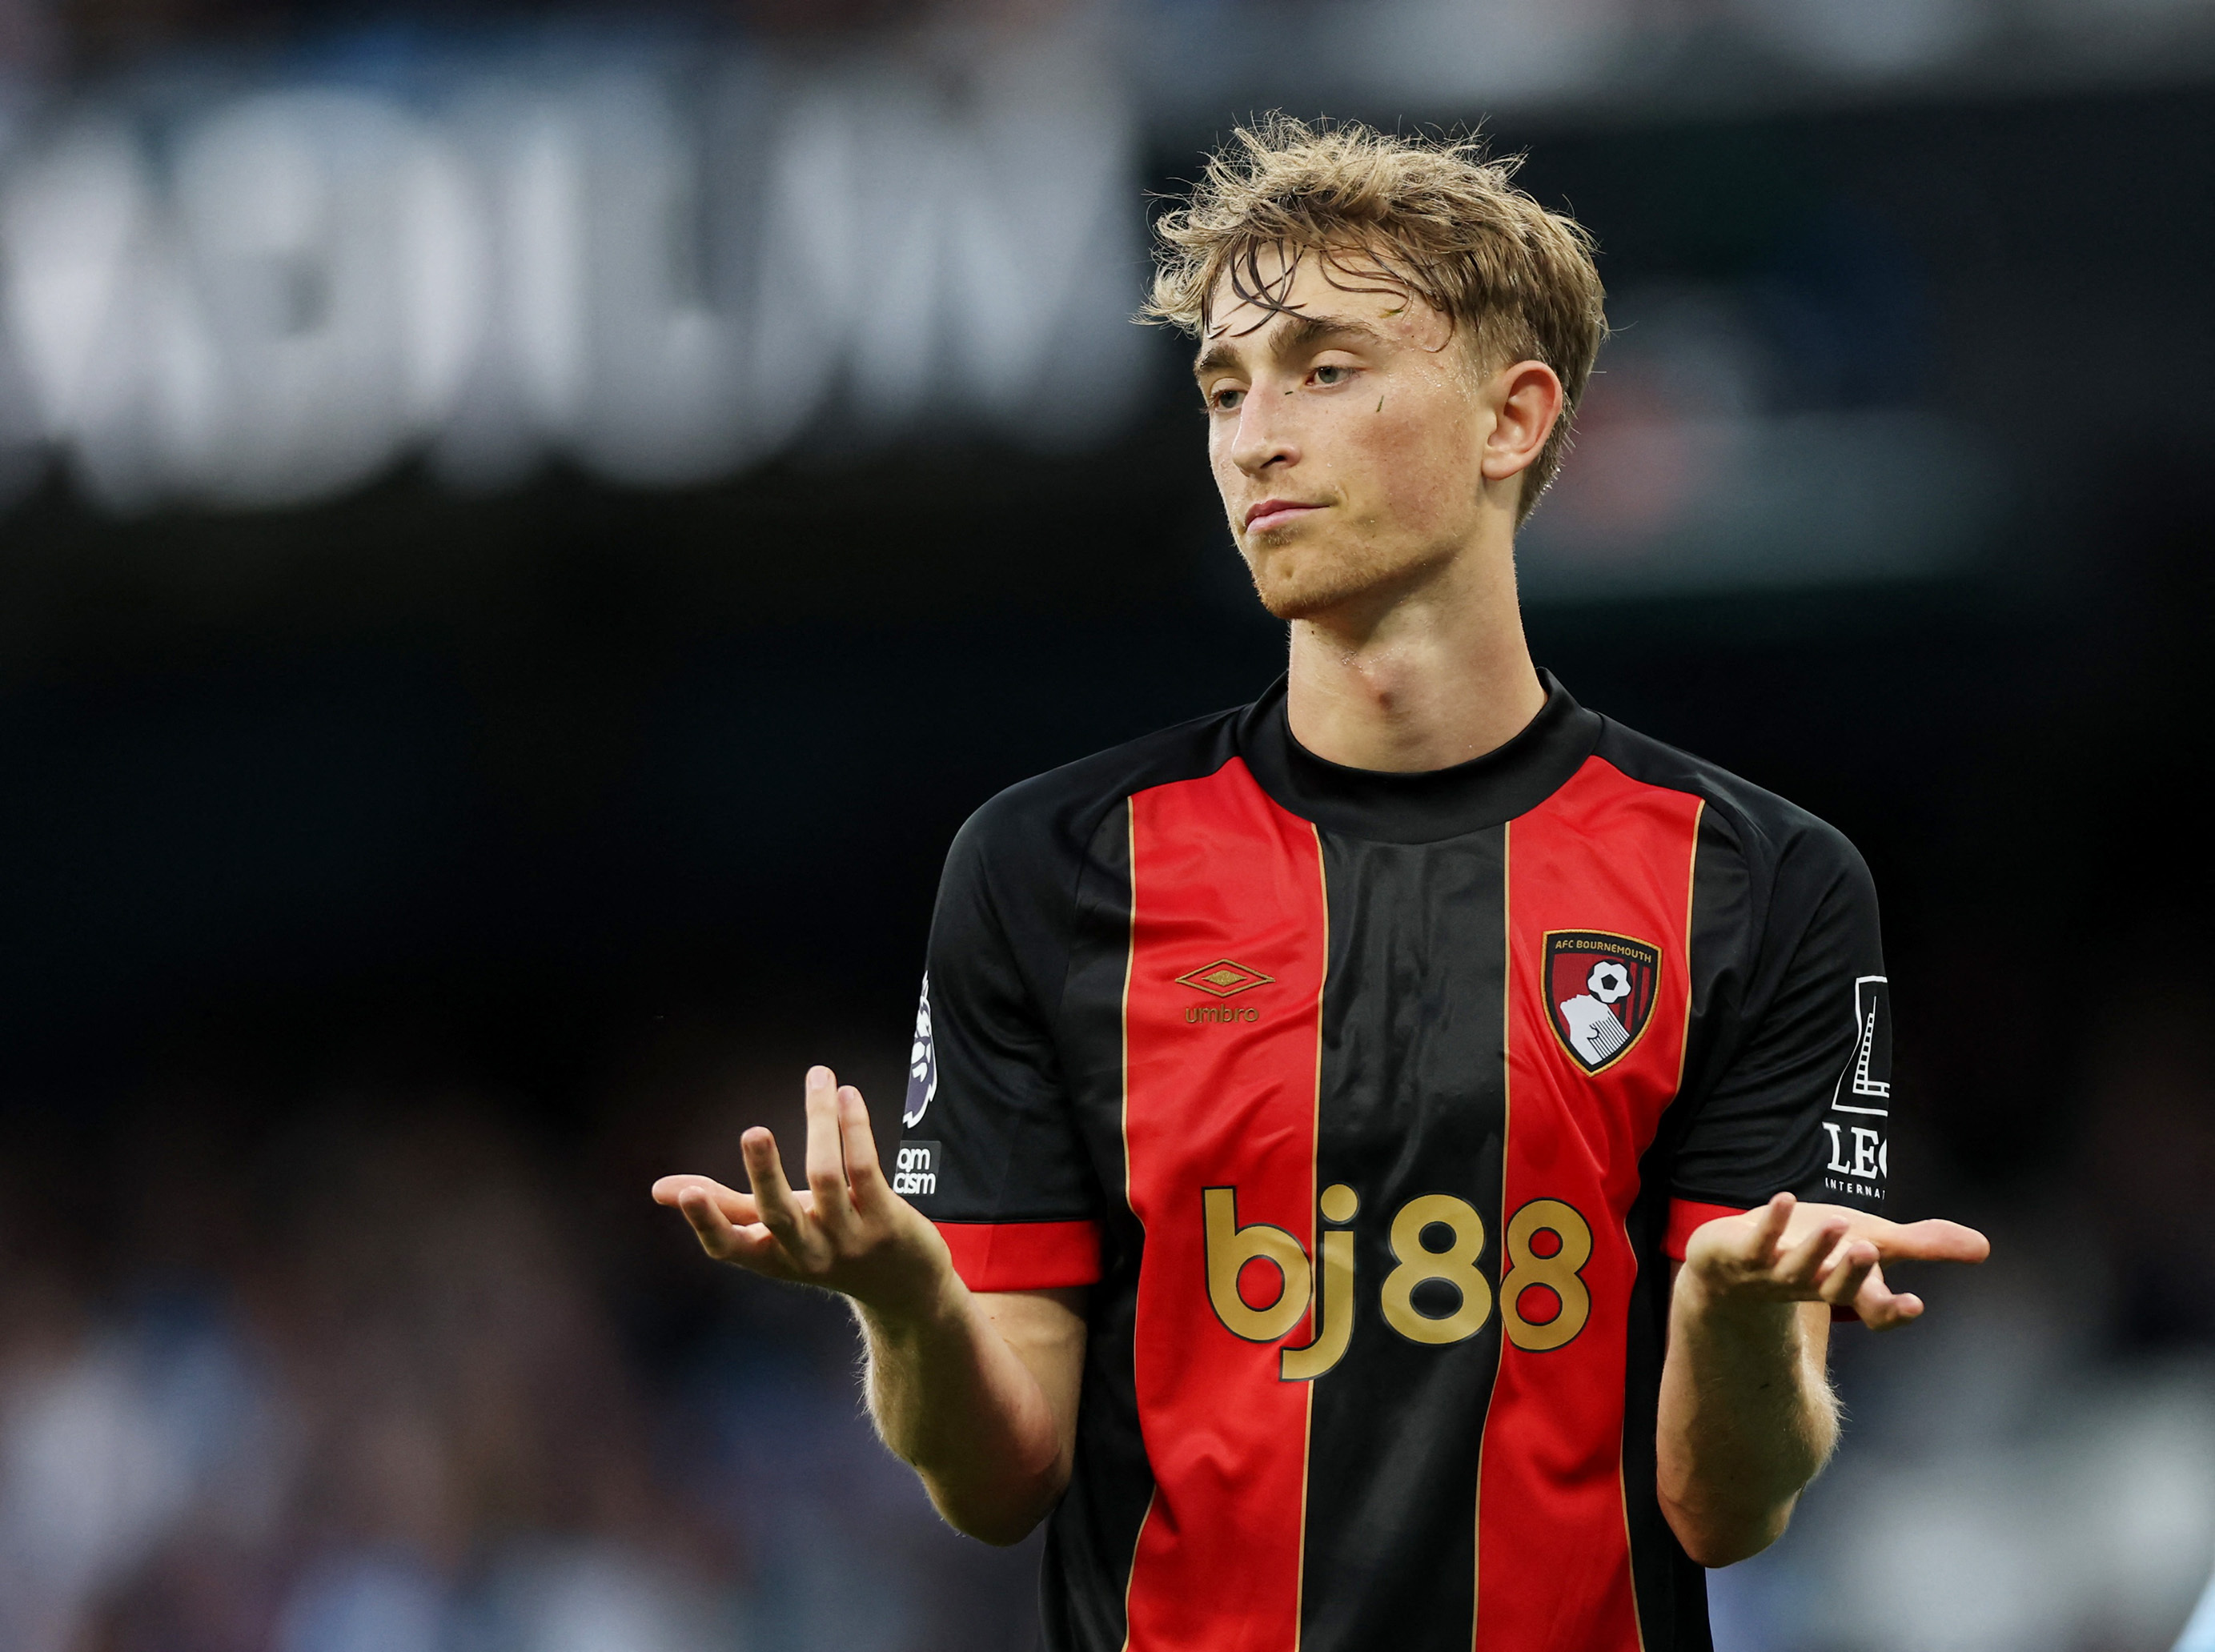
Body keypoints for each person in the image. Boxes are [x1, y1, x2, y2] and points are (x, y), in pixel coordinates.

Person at [652, 118, 1990, 1651]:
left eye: (1323, 368)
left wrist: (1737, 1318)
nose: (1253, 435)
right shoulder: (1048, 867)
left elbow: (1725, 1505)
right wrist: (903, 1300)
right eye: (1225, 387)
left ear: (1513, 417)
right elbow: (998, 1477)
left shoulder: (1763, 881)